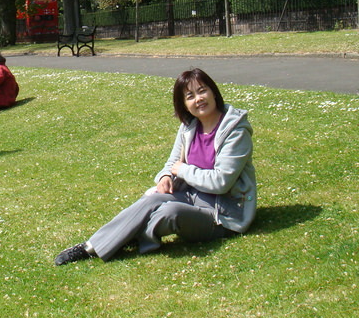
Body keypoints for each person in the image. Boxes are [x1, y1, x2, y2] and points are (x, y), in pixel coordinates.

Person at [54, 68, 256, 265]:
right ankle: (90, 247)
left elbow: (221, 182)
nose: (198, 99)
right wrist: (165, 176)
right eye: (190, 96)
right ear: (184, 105)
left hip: (222, 214)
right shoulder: (189, 126)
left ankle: (127, 235)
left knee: (169, 212)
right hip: (191, 196)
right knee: (152, 199)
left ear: (214, 92)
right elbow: (172, 163)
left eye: (202, 91)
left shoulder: (235, 131)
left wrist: (183, 170)